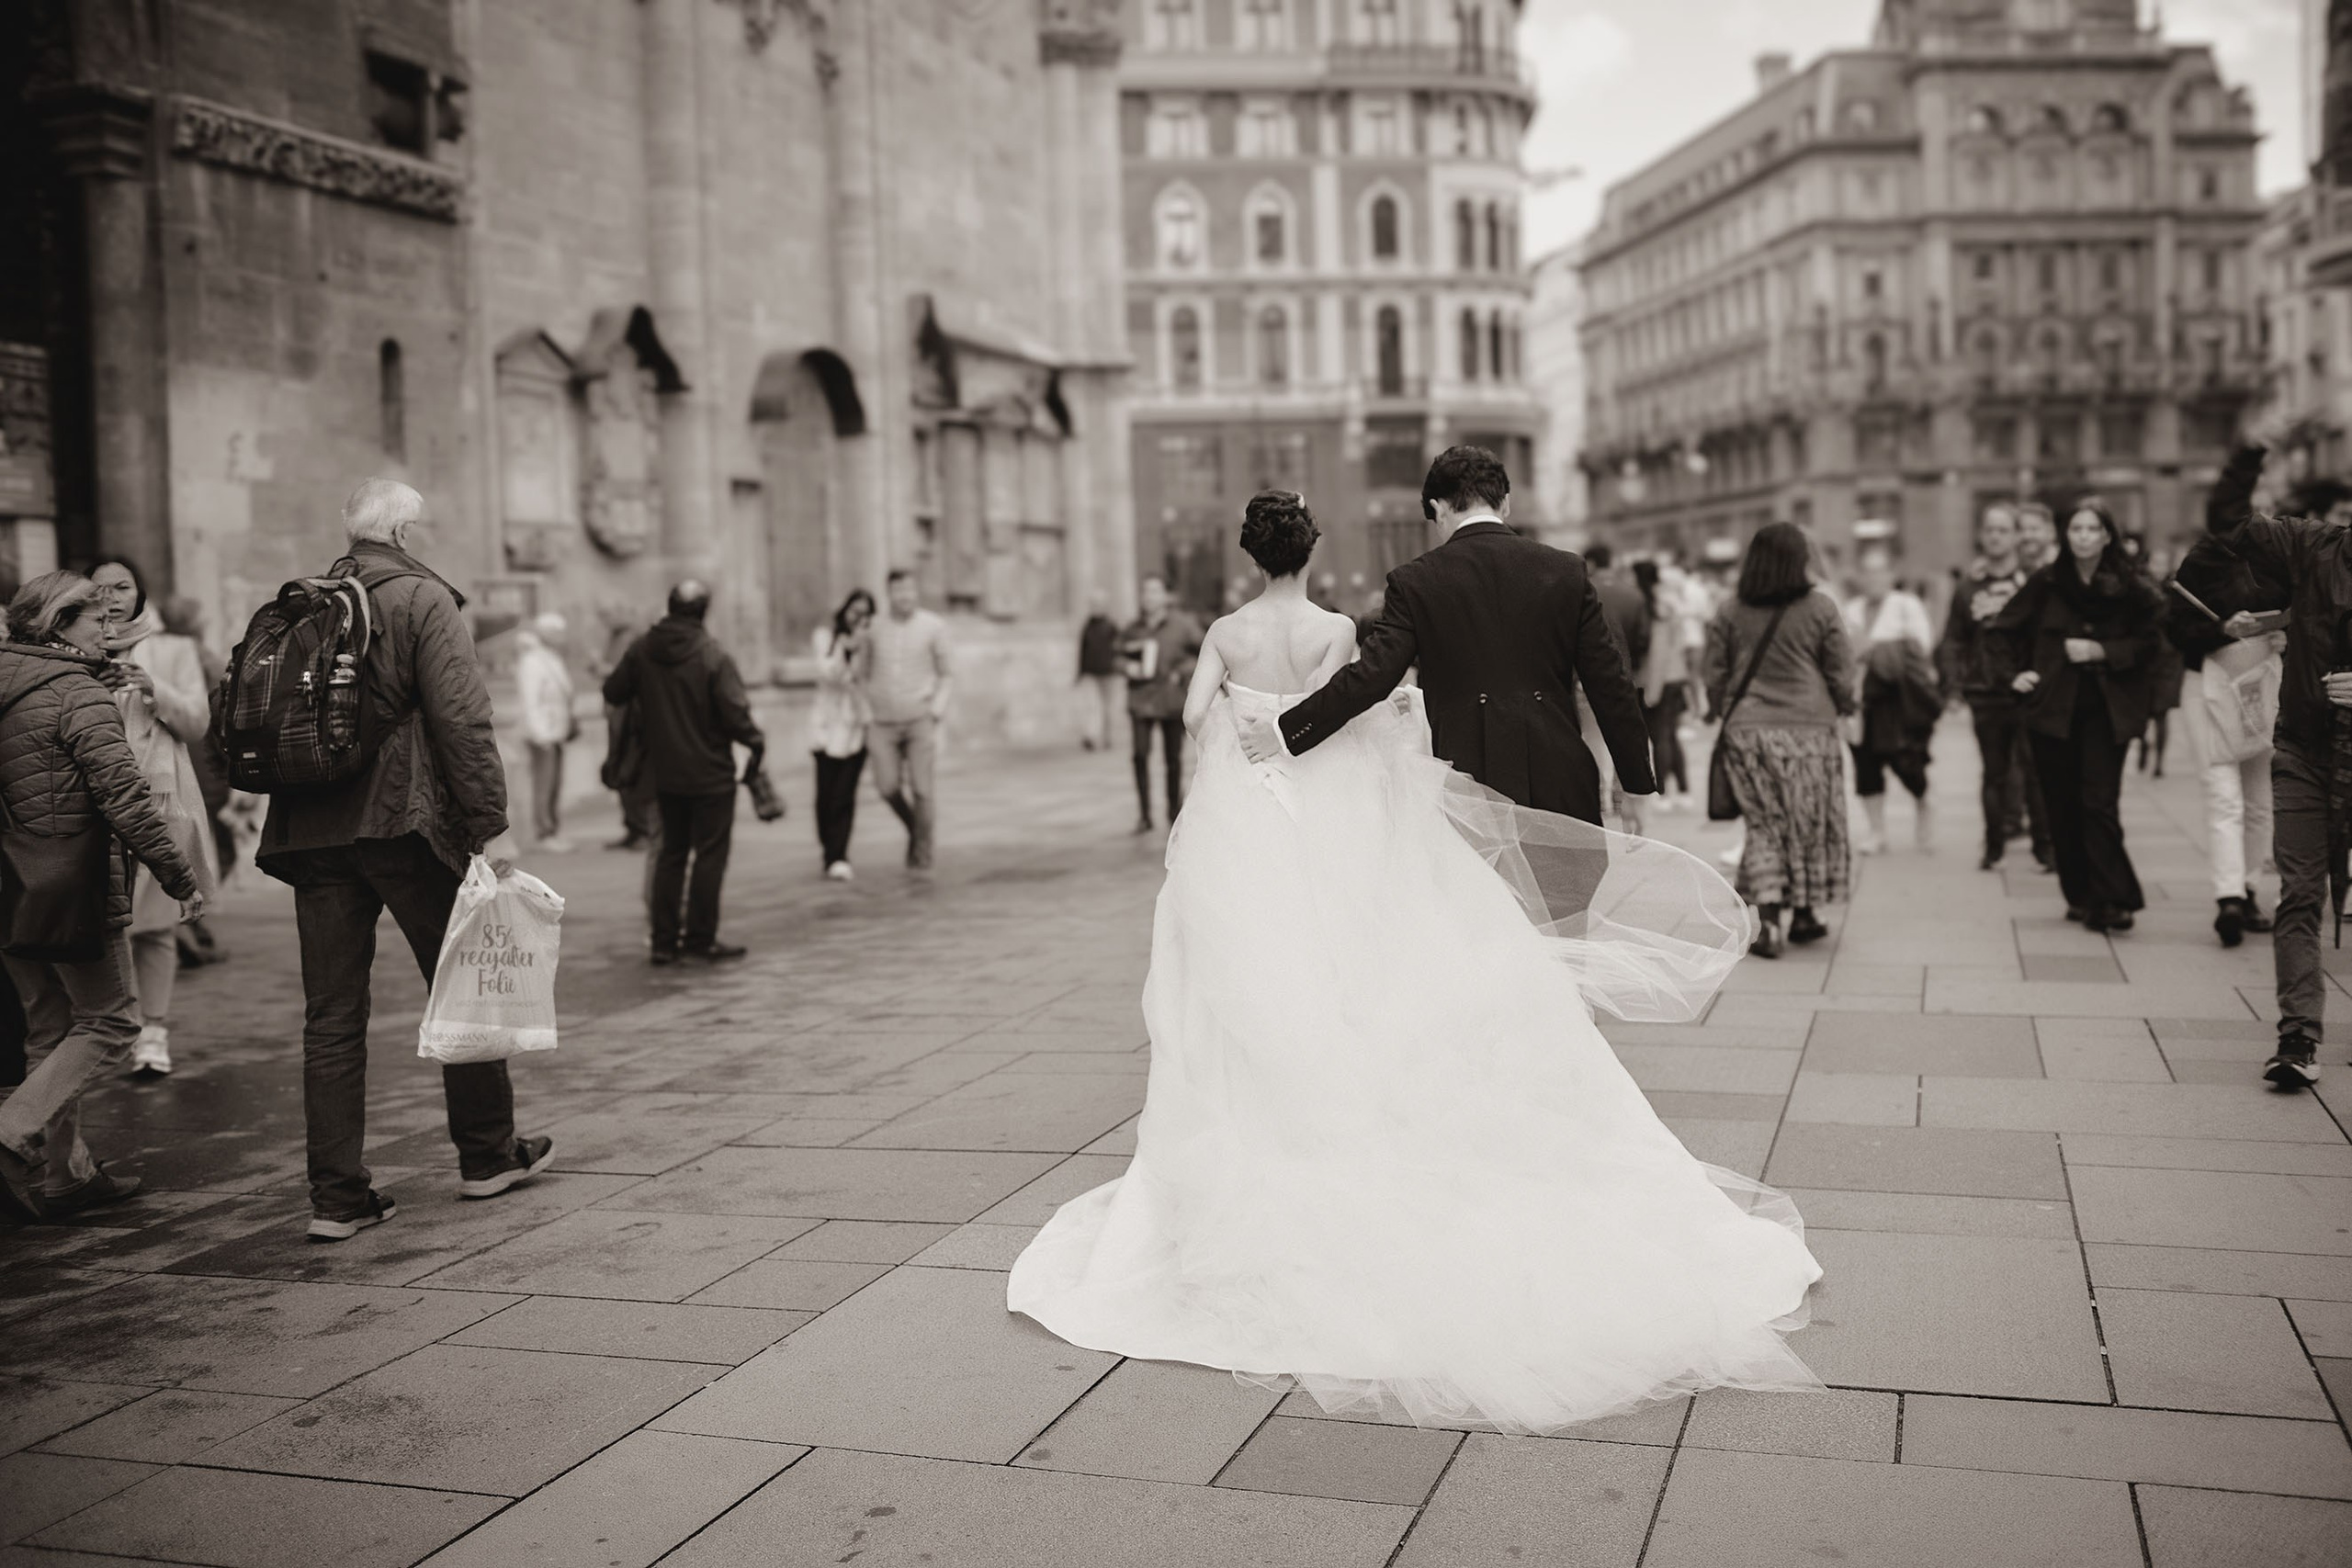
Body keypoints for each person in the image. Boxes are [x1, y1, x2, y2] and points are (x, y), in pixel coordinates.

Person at [1009, 489, 1821, 1434]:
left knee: (1247, 979)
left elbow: (1198, 718)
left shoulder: (1228, 631)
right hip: (1332, 811)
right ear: (1311, 551)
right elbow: (1369, 712)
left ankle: (1269, 1124)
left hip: (1248, 818)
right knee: (1353, 958)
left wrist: (1247, 731)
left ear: (1247, 553)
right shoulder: (1338, 630)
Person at [253, 481, 549, 1240]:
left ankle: (337, 1197)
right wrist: (491, 824)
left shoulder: (306, 601)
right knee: (462, 987)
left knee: (331, 1016)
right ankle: (486, 1156)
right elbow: (462, 718)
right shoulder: (422, 599)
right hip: (403, 822)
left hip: (311, 828)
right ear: (406, 531)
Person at [1238, 446, 1655, 824]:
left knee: (1481, 907)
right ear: (1505, 503)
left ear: (1438, 509)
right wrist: (1634, 785)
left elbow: (1370, 679)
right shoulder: (1566, 570)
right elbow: (1611, 683)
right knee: (1565, 907)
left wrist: (1284, 730)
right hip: (1561, 780)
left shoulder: (1417, 581)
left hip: (1469, 787)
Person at [0, 573, 202, 1222]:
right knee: (111, 1020)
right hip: (72, 883)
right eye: (94, 619)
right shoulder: (75, 692)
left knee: (50, 1026)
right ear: (60, 625)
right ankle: (12, 1129)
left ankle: (66, 1173)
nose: (106, 628)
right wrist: (179, 877)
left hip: (8, 886)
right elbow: (126, 799)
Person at [2176, 447, 2345, 1089]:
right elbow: (2229, 520)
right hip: (2302, 743)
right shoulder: (2314, 547)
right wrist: (2250, 451)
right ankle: (2298, 1036)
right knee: (2300, 893)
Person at [1996, 501, 2163, 935]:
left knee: (2098, 802)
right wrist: (2017, 675)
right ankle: (2081, 894)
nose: (2084, 536)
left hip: (2108, 711)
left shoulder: (2132, 586)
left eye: (2093, 528)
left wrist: (2102, 651)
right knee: (2061, 806)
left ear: (2108, 535)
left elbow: (2152, 643)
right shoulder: (2048, 582)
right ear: (2066, 536)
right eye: (2076, 528)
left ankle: (2114, 898)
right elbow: (2002, 630)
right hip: (2053, 710)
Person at [89, 558, 220, 1077]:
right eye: (99, 589)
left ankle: (155, 1034)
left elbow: (196, 724)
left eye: (122, 586)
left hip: (159, 798)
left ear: (141, 593)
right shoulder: (75, 649)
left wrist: (153, 689)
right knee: (111, 925)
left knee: (157, 925)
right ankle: (118, 1026)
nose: (112, 597)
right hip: (96, 800)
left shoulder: (172, 650)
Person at [1701, 524, 1856, 958]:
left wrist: (1718, 708)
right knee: (1810, 821)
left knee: (1765, 824)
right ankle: (1805, 913)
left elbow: (1715, 672)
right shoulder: (1821, 608)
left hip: (1749, 732)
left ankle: (1769, 924)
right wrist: (1846, 705)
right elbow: (1842, 671)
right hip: (1811, 730)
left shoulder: (1730, 610)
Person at [601, 580, 764, 963]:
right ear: (705, 611)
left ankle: (663, 942)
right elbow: (736, 715)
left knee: (671, 855)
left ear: (670, 606)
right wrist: (756, 741)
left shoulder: (642, 649)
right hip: (711, 773)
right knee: (709, 856)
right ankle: (699, 939)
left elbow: (613, 691)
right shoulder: (712, 654)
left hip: (664, 773)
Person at [2166, 445, 2278, 950]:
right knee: (2224, 797)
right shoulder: (2207, 558)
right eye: (2262, 502)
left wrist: (2284, 633)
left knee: (2260, 801)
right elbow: (2177, 628)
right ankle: (2228, 897)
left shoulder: (2289, 561)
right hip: (2208, 689)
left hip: (2265, 692)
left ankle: (2250, 887)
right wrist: (2222, 631)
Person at [1938, 505, 2052, 873]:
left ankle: (2044, 847)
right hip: (1985, 691)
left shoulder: (2033, 581)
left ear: (2017, 536)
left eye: (2003, 530)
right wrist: (1954, 686)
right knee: (1994, 771)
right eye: (1990, 530)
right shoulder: (1968, 586)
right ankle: (1994, 845)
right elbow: (1954, 638)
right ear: (1981, 536)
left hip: (2027, 689)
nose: (1996, 536)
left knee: (2035, 770)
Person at [1842, 548, 1937, 855]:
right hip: (1861, 700)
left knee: (1905, 761)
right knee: (1866, 766)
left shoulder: (1906, 605)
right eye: (1868, 571)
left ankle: (1923, 802)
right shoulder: (1851, 608)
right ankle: (1876, 831)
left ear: (1892, 574)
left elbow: (1922, 645)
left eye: (1880, 571)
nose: (1874, 578)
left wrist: (1875, 649)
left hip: (1897, 701)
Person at [865, 569, 950, 871]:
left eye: (910, 590)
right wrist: (865, 710)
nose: (905, 596)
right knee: (886, 786)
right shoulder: (874, 628)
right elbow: (862, 671)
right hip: (882, 719)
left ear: (917, 592)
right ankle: (915, 827)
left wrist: (936, 710)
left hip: (919, 718)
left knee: (922, 788)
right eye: (899, 590)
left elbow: (946, 673)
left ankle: (923, 852)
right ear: (889, 593)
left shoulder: (933, 626)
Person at [1121, 576, 1204, 833]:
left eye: (1155, 591)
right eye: (1145, 591)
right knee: (1139, 755)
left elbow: (1203, 653)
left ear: (1165, 596)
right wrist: (1127, 666)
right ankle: (1144, 815)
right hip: (1140, 699)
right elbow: (1116, 655)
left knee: (1173, 759)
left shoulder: (1182, 625)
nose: (1149, 597)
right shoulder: (1133, 627)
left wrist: (1182, 670)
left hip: (1170, 699)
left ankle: (1173, 811)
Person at [810, 588, 874, 881]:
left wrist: (862, 648)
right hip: (826, 727)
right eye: (854, 611)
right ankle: (829, 848)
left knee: (844, 795)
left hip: (856, 727)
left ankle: (839, 854)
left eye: (865, 614)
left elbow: (869, 679)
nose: (858, 618)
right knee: (825, 795)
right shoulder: (825, 637)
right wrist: (847, 651)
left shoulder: (870, 643)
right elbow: (828, 674)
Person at [592, 604, 659, 852]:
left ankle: (642, 829)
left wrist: (602, 669)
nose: (604, 620)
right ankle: (633, 827)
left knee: (630, 768)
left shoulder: (633, 638)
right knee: (619, 768)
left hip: (628, 715)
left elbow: (626, 675)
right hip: (616, 712)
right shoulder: (615, 638)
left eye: (607, 613)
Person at [1631, 560, 1693, 809]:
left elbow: (1657, 651)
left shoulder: (1652, 605)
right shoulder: (1669, 601)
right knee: (1671, 735)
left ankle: (1664, 792)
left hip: (1657, 678)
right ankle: (1684, 790)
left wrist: (1652, 690)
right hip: (1675, 675)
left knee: (1660, 737)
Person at [514, 612, 575, 852]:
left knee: (555, 782)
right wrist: (540, 733)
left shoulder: (551, 658)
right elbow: (530, 701)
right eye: (558, 632)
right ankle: (544, 831)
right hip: (543, 734)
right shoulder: (532, 661)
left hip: (556, 731)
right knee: (544, 783)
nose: (563, 637)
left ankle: (552, 829)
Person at [1075, 595, 1122, 752]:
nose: (1095, 608)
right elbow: (1083, 650)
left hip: (1108, 673)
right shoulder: (1087, 626)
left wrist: (1117, 667)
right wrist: (1080, 672)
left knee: (1108, 707)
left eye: (1098, 605)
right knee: (1092, 706)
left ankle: (1108, 737)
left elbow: (1119, 649)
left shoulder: (1111, 627)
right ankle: (1091, 736)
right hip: (1091, 673)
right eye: (1093, 605)